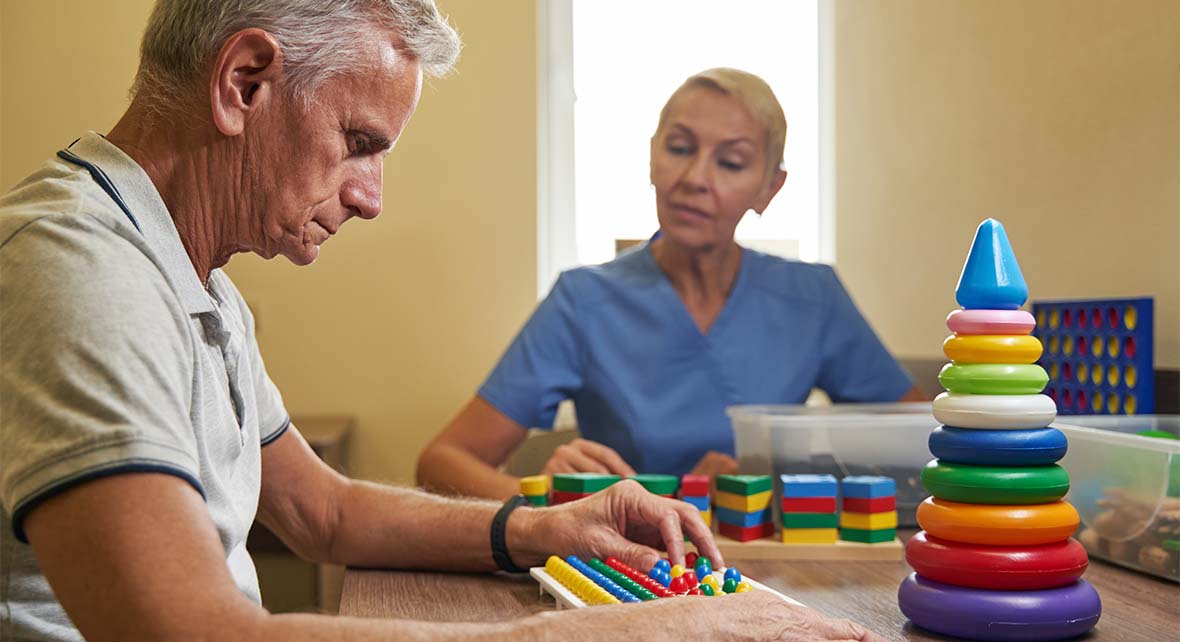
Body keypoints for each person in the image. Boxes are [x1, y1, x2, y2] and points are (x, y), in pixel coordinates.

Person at [0, 2, 888, 641]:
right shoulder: (77, 264)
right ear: (245, 81)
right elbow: (189, 629)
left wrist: (545, 525)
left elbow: (323, 510)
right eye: (359, 143)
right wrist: (646, 629)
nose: (370, 198)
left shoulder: (199, 285)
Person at [417, 68, 925, 499]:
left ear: (769, 188)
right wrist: (558, 504)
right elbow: (441, 462)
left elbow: (927, 450)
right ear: (653, 156)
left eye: (730, 162)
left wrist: (774, 481)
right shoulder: (583, 301)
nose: (695, 178)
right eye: (680, 148)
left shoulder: (812, 299)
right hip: (629, 572)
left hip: (773, 575)